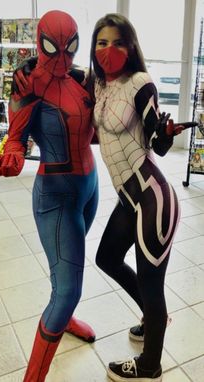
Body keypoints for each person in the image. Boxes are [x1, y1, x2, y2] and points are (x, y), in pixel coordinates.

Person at [0, 10, 99, 381]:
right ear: (40, 43)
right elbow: (15, 136)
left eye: (71, 47)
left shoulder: (83, 79)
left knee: (64, 277)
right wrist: (13, 156)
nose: (63, 58)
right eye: (54, 48)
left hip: (91, 187)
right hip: (56, 197)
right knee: (68, 290)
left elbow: (98, 131)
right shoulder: (27, 82)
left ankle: (62, 320)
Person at [89, 13, 188, 382]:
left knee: (152, 282)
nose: (109, 49)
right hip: (127, 198)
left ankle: (150, 365)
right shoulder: (99, 85)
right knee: (107, 258)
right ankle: (151, 316)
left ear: (130, 46)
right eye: (102, 42)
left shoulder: (140, 83)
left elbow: (158, 145)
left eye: (117, 42)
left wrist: (164, 133)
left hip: (152, 197)